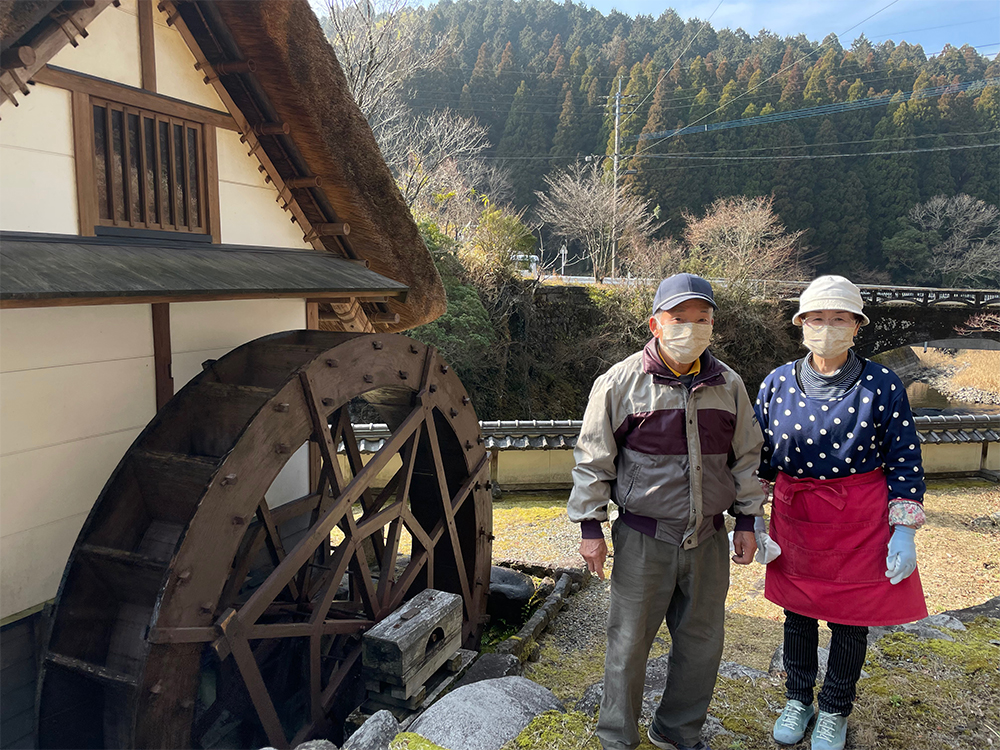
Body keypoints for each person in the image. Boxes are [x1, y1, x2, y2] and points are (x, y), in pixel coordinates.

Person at [568, 273, 767, 750]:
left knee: (702, 645)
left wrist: (746, 520)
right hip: (643, 537)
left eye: (702, 320)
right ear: (656, 324)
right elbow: (593, 458)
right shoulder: (621, 382)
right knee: (628, 646)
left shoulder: (729, 384)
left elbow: (747, 458)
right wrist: (591, 527)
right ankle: (617, 737)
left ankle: (676, 731)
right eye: (680, 319)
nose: (691, 329)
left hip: (710, 537)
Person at [754, 275, 927, 750]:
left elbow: (904, 459)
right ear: (801, 324)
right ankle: (798, 697)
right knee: (798, 613)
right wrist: (752, 516)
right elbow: (758, 458)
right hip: (795, 516)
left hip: (860, 517)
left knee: (851, 619)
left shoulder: (881, 384)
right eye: (817, 319)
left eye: (838, 319)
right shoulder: (776, 382)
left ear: (856, 326)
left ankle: (834, 707)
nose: (826, 327)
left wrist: (904, 530)